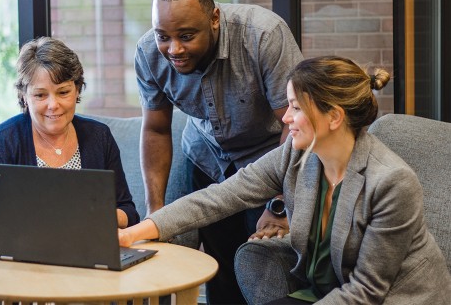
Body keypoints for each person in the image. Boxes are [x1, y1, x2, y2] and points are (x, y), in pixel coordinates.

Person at [120, 56, 451, 304]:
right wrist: (135, 232)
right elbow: (221, 197)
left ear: (334, 116)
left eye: (295, 107)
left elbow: (367, 291)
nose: (286, 118)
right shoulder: (296, 155)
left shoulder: (391, 182)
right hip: (332, 291)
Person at [134, 0, 302, 304]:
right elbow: (155, 129)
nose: (174, 49)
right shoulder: (148, 53)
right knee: (219, 271)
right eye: (163, 37)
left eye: (186, 36)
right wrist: (155, 214)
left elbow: (292, 123)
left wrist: (279, 203)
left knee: (265, 267)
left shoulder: (263, 35)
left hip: (268, 160)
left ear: (214, 19)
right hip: (206, 159)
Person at [0, 36, 139, 244]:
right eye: (40, 95)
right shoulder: (3, 141)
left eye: (63, 92)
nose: (53, 105)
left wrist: (91, 219)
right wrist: (13, 230)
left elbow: (127, 211)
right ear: (24, 96)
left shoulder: (99, 138)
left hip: (71, 252)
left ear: (77, 89)